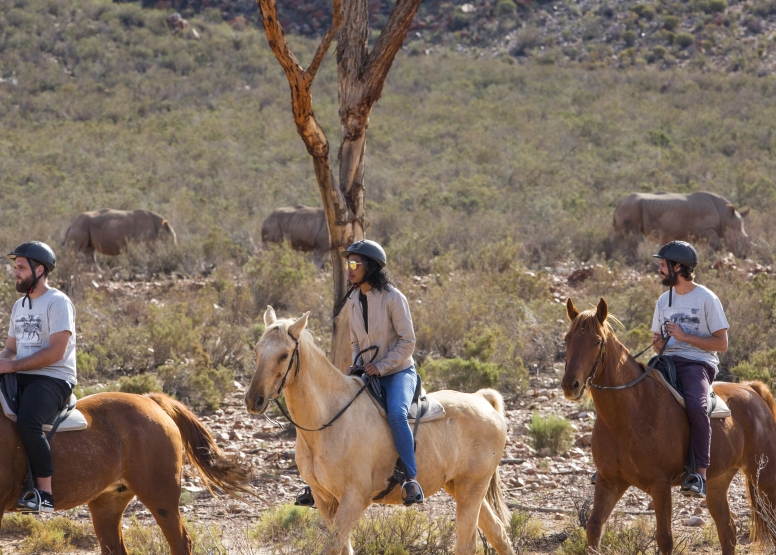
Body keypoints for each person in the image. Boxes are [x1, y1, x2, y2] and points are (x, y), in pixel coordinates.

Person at [342, 239, 424, 505]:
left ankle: (411, 480)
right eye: (347, 263)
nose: (349, 269)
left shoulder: (393, 298)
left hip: (399, 372)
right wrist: (357, 363)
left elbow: (407, 341)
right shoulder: (353, 299)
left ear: (371, 266)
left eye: (354, 263)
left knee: (398, 415)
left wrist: (381, 366)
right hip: (368, 371)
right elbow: (355, 342)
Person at [0, 242, 77, 513]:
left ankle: (44, 493)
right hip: (21, 374)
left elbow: (57, 351)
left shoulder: (58, 302)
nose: (16, 273)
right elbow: (11, 349)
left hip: (52, 378)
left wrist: (14, 365)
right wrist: (4, 361)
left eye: (21, 267)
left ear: (39, 269)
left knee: (29, 421)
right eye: (15, 267)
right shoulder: (20, 306)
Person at [651, 241, 729, 498]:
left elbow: (722, 343)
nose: (659, 269)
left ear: (678, 267)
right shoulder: (663, 300)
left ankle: (699, 475)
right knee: (631, 392)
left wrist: (684, 337)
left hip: (698, 363)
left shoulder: (707, 298)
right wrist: (660, 343)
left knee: (696, 405)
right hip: (666, 361)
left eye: (663, 265)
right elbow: (656, 343)